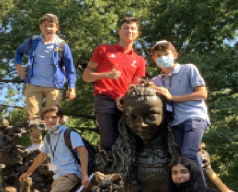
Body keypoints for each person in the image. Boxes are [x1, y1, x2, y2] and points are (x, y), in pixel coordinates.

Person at [18, 105, 89, 192]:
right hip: (57, 177)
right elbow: (41, 157)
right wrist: (28, 172)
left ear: (61, 118)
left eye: (54, 117)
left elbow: (83, 152)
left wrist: (85, 175)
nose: (50, 120)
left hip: (70, 174)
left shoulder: (69, 133)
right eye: (47, 117)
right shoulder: (48, 136)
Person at [13, 13, 77, 152]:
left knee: (52, 117)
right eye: (45, 25)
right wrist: (18, 65)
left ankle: (53, 144)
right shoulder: (33, 41)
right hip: (33, 84)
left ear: (56, 28)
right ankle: (36, 144)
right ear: (40, 27)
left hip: (53, 86)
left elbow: (70, 68)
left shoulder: (61, 45)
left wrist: (72, 87)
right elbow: (18, 52)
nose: (48, 28)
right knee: (33, 115)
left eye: (51, 26)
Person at [82, 16, 146, 152]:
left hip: (126, 102)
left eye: (133, 28)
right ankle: (104, 172)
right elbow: (86, 76)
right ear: (119, 31)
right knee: (109, 143)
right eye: (126, 28)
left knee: (130, 142)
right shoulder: (103, 50)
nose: (129, 31)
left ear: (138, 34)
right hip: (104, 99)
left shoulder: (139, 60)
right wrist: (105, 75)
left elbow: (135, 86)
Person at [148, 40, 210, 170]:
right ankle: (192, 187)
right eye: (158, 55)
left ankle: (200, 190)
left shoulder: (188, 69)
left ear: (175, 55)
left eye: (166, 54)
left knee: (189, 154)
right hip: (176, 123)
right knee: (183, 157)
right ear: (154, 59)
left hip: (194, 117)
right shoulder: (156, 80)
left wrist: (172, 97)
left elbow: (202, 94)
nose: (162, 58)